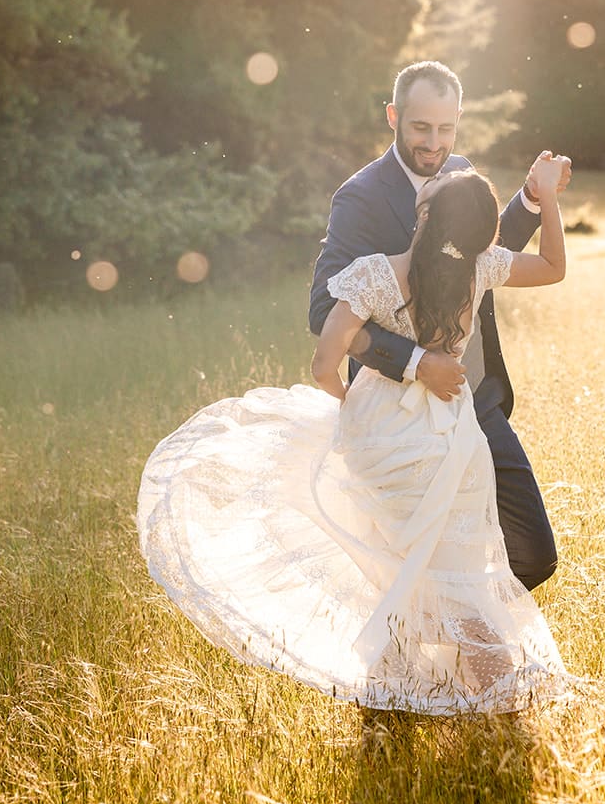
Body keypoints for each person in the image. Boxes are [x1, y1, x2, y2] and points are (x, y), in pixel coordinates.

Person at [137, 155, 576, 715]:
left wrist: (354, 412)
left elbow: (325, 363)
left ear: (422, 212)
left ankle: (394, 698)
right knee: (460, 575)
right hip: (450, 442)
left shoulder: (373, 274)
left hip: (384, 444)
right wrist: (548, 198)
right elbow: (553, 266)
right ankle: (495, 705)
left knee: (395, 571)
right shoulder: (482, 267)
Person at [309, 60, 570, 591]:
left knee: (534, 554)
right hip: (401, 418)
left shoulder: (462, 171)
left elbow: (484, 255)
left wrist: (532, 199)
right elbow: (323, 311)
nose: (434, 143)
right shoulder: (359, 198)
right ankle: (435, 653)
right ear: (393, 117)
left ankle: (466, 624)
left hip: (476, 401)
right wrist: (416, 363)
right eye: (420, 127)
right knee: (411, 560)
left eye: (446, 129)